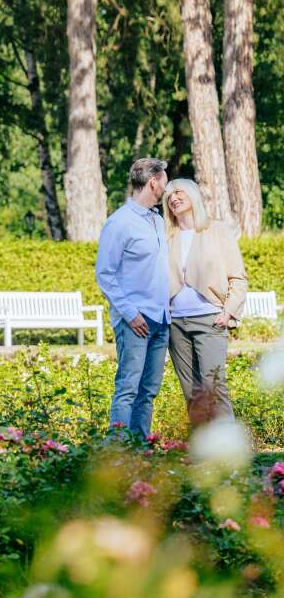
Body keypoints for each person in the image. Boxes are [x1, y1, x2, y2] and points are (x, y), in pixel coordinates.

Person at [162, 177, 247, 423]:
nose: (173, 198)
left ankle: (229, 455)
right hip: (176, 324)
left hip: (211, 319)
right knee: (192, 394)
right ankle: (203, 454)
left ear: (192, 195)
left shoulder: (217, 230)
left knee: (214, 389)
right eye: (169, 196)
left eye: (178, 192)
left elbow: (238, 278)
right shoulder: (167, 236)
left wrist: (228, 312)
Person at [95, 157, 170, 434]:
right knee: (128, 388)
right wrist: (130, 313)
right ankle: (119, 455)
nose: (166, 187)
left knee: (148, 392)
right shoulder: (119, 223)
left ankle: (141, 453)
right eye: (164, 180)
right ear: (153, 182)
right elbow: (105, 274)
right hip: (135, 321)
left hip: (162, 319)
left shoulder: (158, 221)